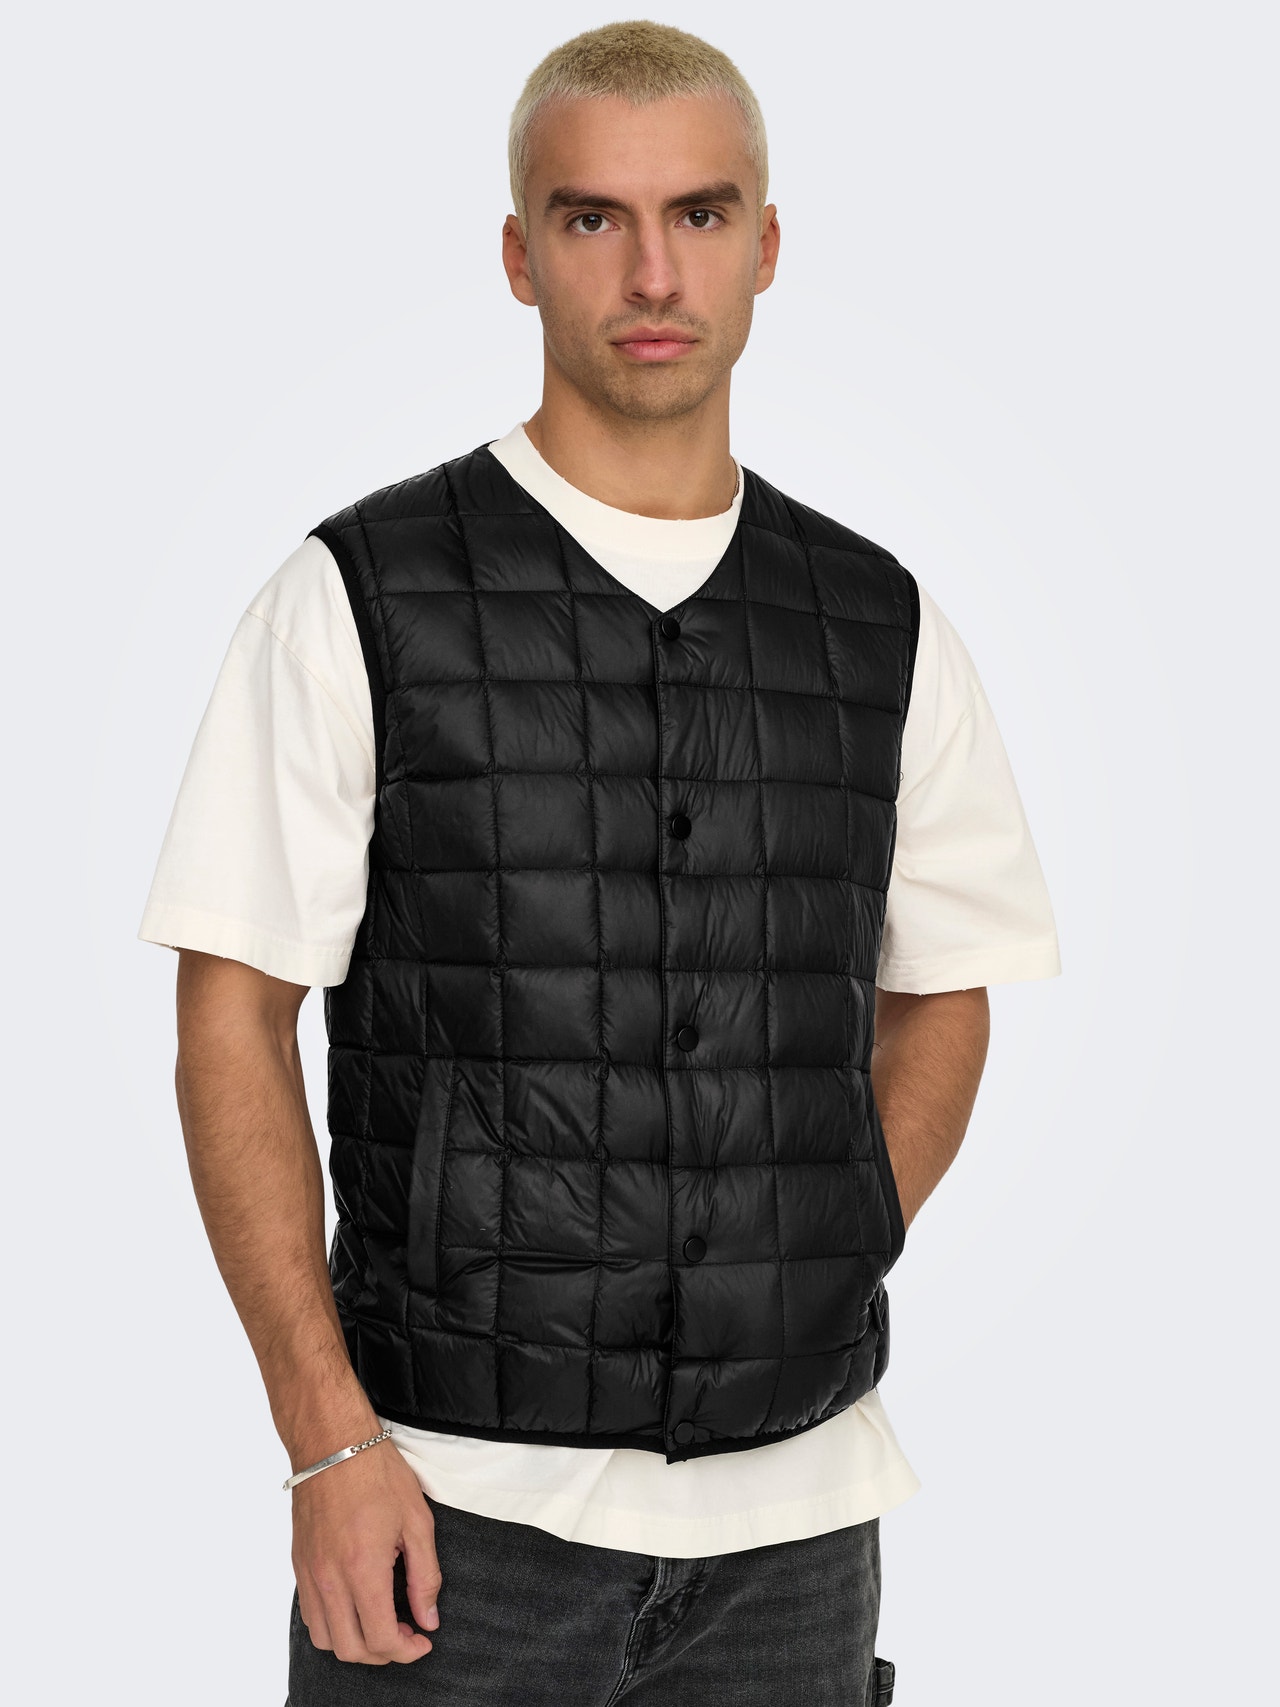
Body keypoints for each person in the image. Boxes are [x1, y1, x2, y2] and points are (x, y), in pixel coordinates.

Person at [138, 19, 1061, 1706]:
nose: (652, 272)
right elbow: (231, 1016)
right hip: (447, 1518)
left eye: (699, 215)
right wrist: (325, 1440)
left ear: (765, 246)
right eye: (593, 219)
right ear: (520, 254)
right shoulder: (359, 597)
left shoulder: (879, 624)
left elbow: (946, 993)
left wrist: (820, 1237)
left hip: (800, 1533)